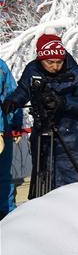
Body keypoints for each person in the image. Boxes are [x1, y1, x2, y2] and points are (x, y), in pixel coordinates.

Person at [1, 33, 78, 197]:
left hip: (72, 140)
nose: (55, 66)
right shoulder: (32, 69)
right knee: (44, 182)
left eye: (59, 62)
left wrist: (64, 103)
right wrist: (14, 101)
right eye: (50, 62)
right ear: (40, 59)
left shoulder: (77, 74)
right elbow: (24, 90)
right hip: (43, 137)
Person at [0, 58, 24, 218]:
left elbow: (12, 96)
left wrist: (16, 125)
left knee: (3, 176)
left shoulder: (1, 66)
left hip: (4, 130)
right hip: (3, 129)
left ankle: (7, 217)